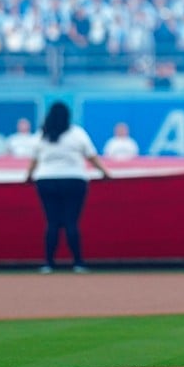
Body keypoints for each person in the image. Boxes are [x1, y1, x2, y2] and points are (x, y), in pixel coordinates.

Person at [24, 101, 111, 274]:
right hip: (74, 180)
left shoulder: (42, 135)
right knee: (71, 222)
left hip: (46, 181)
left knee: (52, 223)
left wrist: (28, 177)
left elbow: (34, 160)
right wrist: (105, 173)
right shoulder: (77, 133)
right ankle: (78, 262)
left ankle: (49, 263)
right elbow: (91, 157)